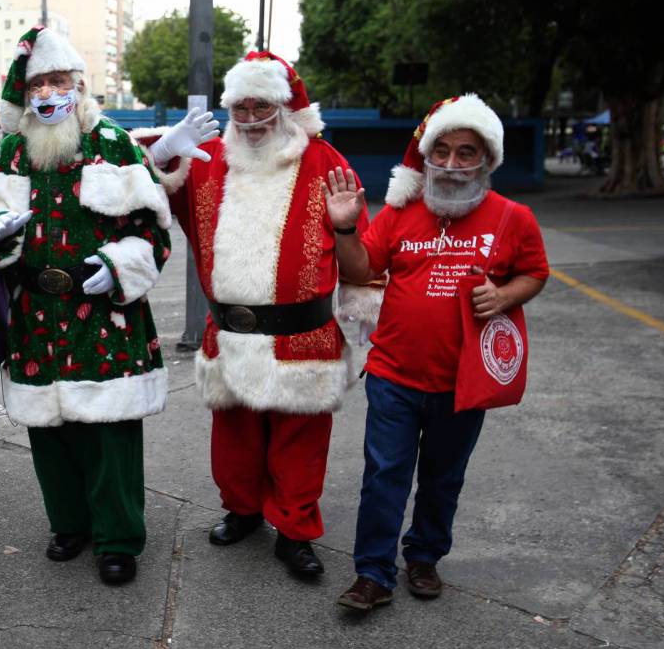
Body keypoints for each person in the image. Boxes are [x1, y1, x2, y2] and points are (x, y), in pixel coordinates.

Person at [134, 51, 381, 582]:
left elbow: (361, 258)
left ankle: (294, 530)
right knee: (235, 438)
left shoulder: (326, 162)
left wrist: (352, 263)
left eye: (261, 106)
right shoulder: (205, 158)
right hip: (230, 333)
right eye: (239, 108)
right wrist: (161, 154)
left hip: (304, 335)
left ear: (285, 107)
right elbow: (132, 187)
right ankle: (243, 510)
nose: (249, 119)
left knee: (301, 443)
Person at [0, 26, 172, 585]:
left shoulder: (115, 145)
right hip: (35, 313)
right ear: (26, 95)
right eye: (37, 85)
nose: (47, 93)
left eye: (57, 82)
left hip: (104, 312)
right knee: (49, 434)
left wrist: (120, 266)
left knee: (110, 434)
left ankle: (118, 537)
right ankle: (69, 524)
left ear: (78, 86)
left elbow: (155, 232)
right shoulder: (11, 151)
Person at [325, 94, 549, 611]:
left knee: (443, 478)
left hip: (463, 381)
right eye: (441, 151)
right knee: (383, 475)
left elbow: (535, 273)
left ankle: (424, 557)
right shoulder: (401, 213)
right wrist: (345, 227)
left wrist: (505, 296)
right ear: (426, 156)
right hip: (393, 374)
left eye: (466, 152)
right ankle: (373, 573)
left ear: (487, 159)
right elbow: (360, 270)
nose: (450, 164)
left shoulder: (513, 217)